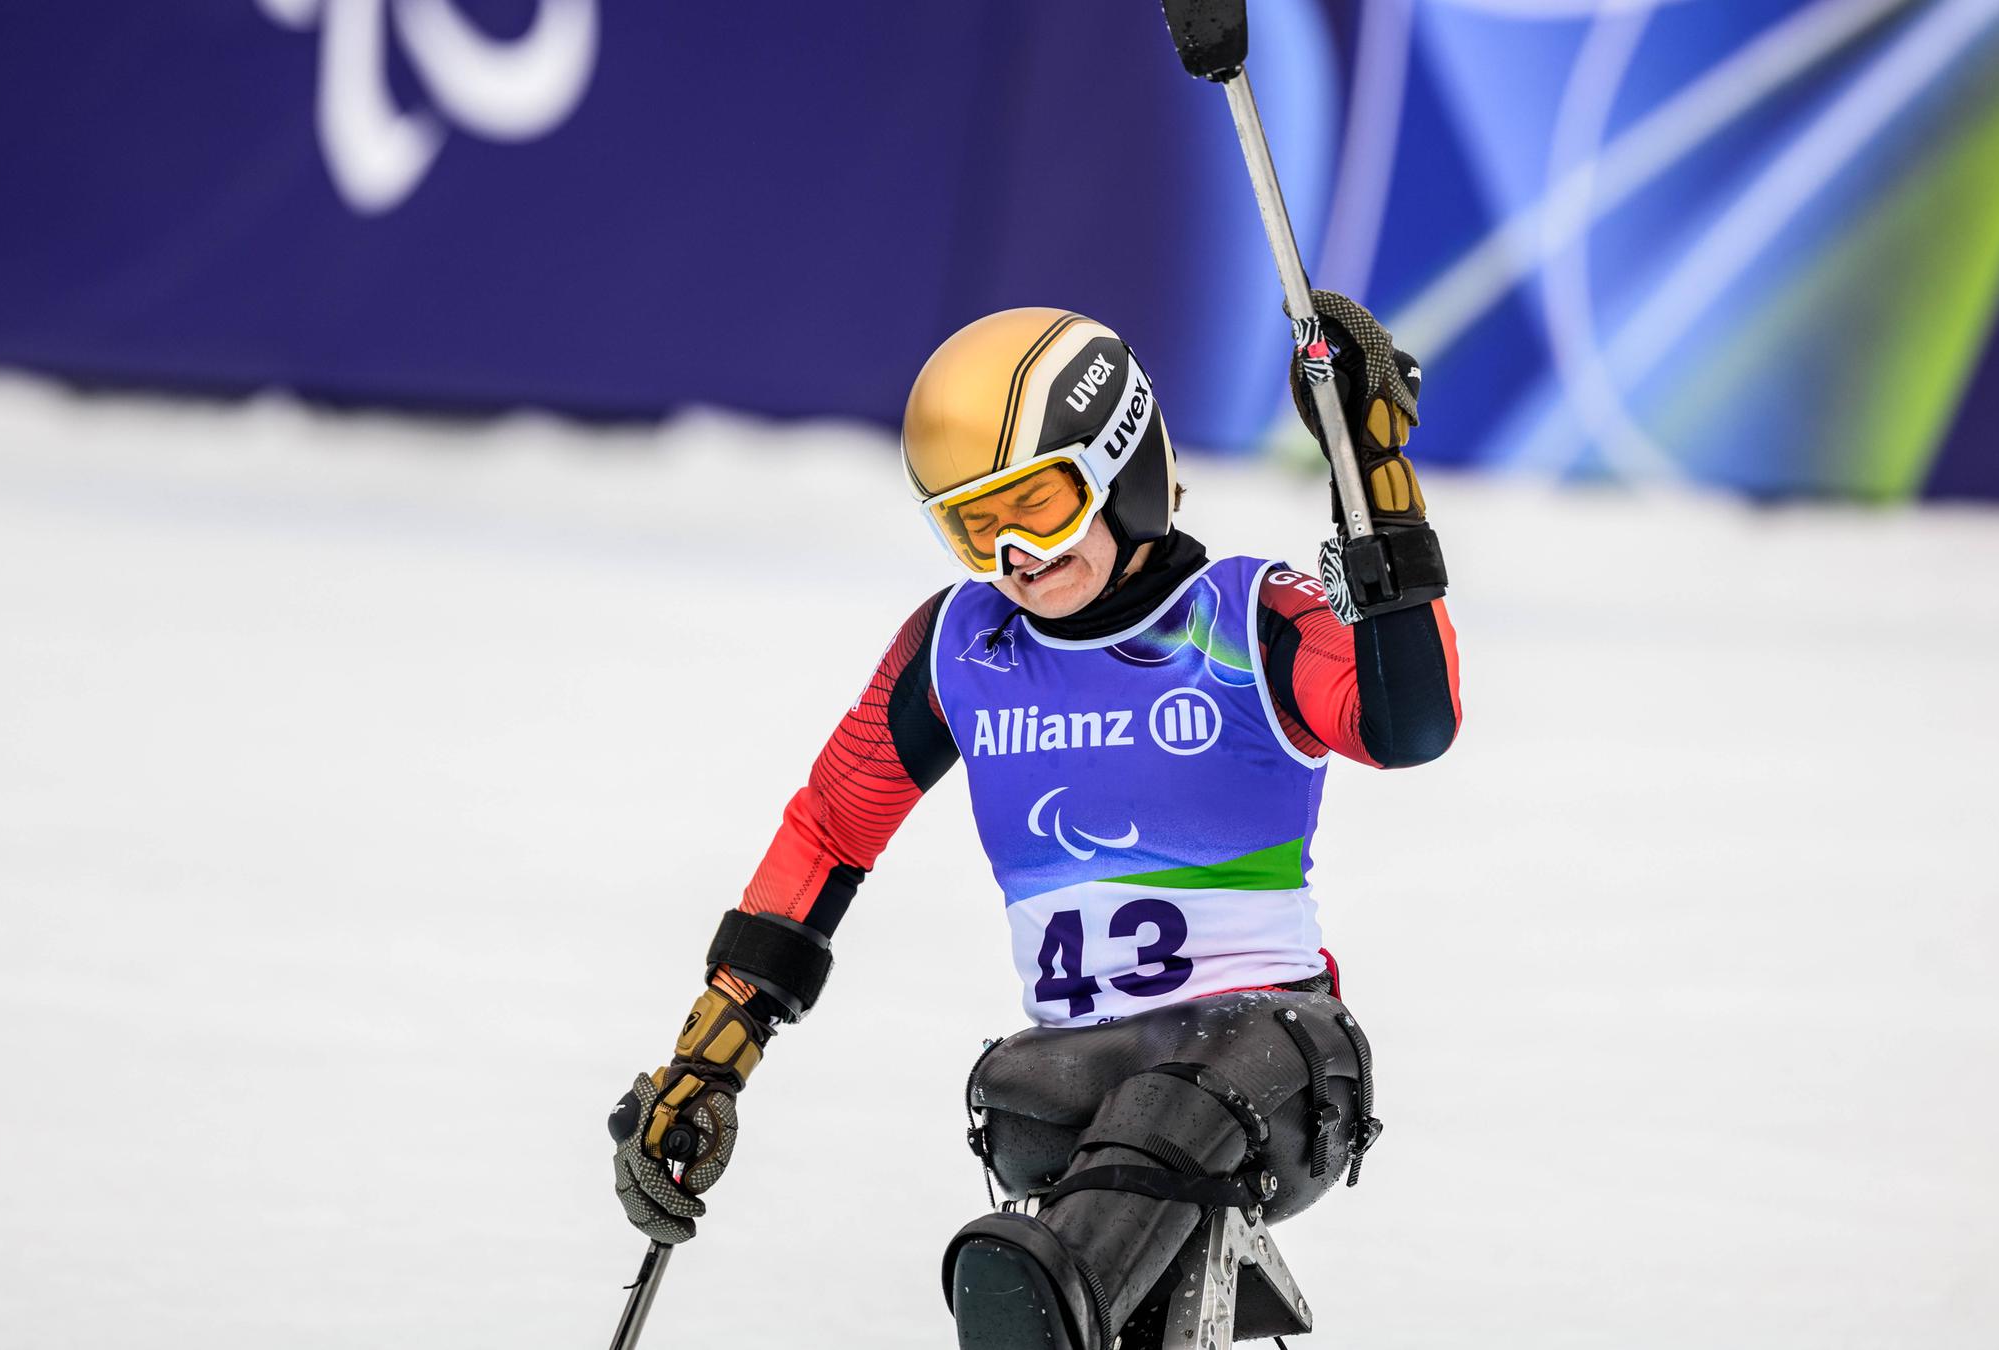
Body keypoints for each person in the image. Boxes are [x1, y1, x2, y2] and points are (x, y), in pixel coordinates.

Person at [609, 293, 1462, 1349]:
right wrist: (715, 1047)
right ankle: (1068, 1304)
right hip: (1082, 1079)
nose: (1014, 553)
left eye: (1042, 506)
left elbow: (1409, 722)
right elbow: (832, 830)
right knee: (1019, 1095)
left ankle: (1046, 1318)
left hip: (1272, 1071)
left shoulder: (1247, 617)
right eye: (976, 524)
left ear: (1124, 465)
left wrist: (1374, 500)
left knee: (1181, 1097)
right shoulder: (960, 647)